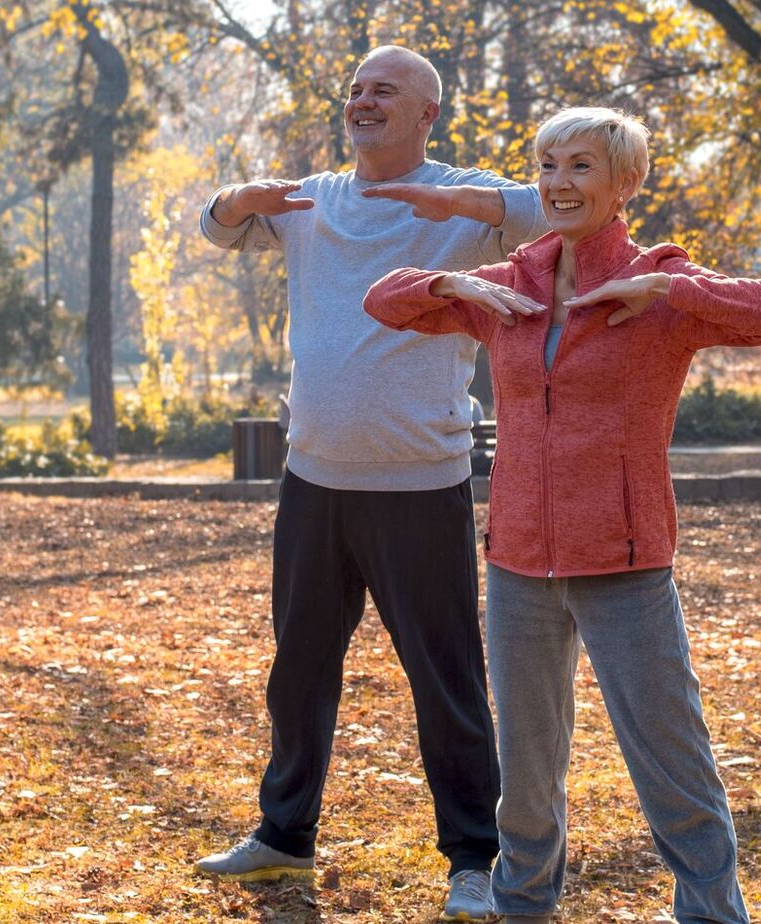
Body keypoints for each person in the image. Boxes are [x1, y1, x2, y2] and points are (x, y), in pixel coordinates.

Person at [362, 106, 761, 924]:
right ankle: (524, 902)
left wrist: (670, 285)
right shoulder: (510, 286)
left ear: (624, 184)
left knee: (670, 757)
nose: (559, 183)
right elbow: (383, 301)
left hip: (626, 562)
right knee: (527, 769)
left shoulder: (660, 287)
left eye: (580, 168)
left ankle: (711, 909)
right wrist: (448, 283)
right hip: (519, 561)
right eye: (548, 166)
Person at [192, 44, 550, 921]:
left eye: (384, 90)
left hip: (419, 486)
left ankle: (475, 860)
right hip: (313, 478)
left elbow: (562, 209)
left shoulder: (469, 199)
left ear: (428, 113)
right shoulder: (314, 199)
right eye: (355, 88)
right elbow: (215, 226)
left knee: (448, 681)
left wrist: (458, 202)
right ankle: (284, 834)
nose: (362, 100)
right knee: (299, 668)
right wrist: (239, 199)